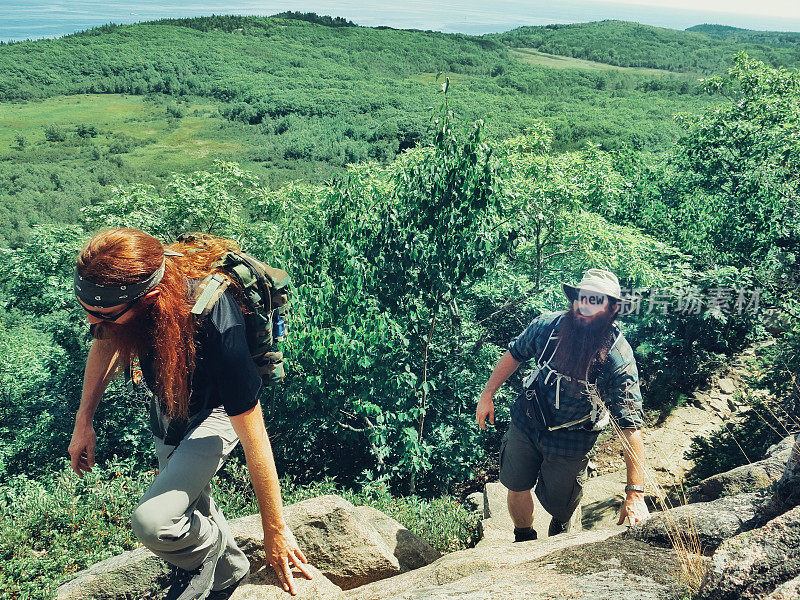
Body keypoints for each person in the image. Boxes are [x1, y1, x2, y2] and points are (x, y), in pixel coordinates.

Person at [67, 228, 312, 599]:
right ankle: (229, 571)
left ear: (149, 298)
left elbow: (253, 433)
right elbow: (105, 342)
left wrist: (275, 530)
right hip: (169, 405)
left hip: (219, 413)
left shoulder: (215, 319)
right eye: (87, 310)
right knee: (187, 500)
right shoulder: (129, 293)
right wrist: (83, 421)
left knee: (155, 522)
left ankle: (206, 556)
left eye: (104, 314)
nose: (91, 322)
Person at [476, 269, 649, 542]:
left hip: (574, 434)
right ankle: (523, 537)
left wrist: (635, 493)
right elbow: (515, 353)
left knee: (561, 504)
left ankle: (560, 524)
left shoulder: (618, 356)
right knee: (516, 484)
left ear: (611, 309)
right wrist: (487, 395)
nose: (584, 307)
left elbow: (630, 424)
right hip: (528, 419)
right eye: (582, 299)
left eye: (595, 301)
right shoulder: (547, 327)